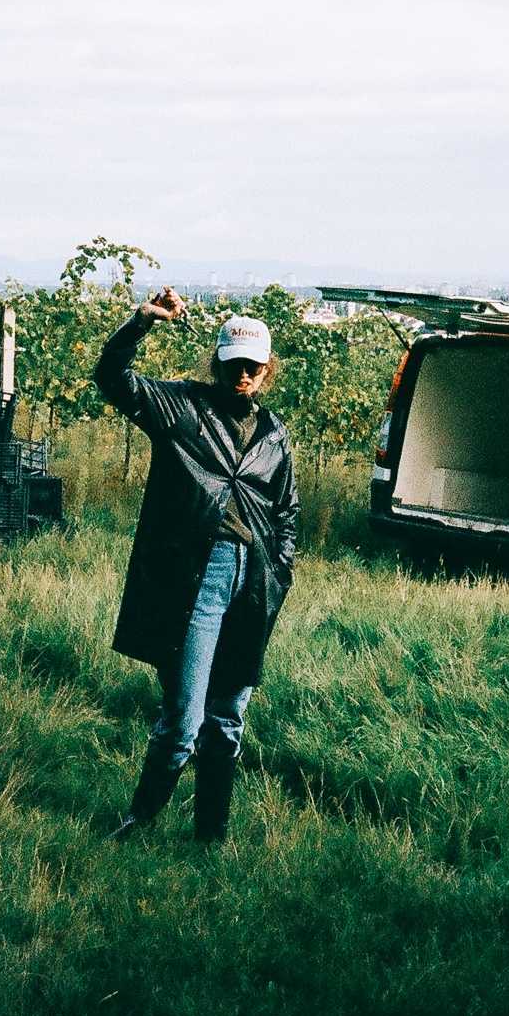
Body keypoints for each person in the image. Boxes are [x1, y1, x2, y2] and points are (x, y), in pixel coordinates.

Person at [94, 285, 299, 843]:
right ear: (217, 361)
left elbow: (286, 509)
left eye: (254, 367)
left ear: (266, 369)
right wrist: (141, 322)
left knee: (228, 717)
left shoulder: (274, 433)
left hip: (253, 581)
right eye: (234, 364)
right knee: (184, 723)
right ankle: (138, 823)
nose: (243, 376)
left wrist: (280, 568)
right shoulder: (183, 407)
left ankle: (211, 834)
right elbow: (114, 380)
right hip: (198, 577)